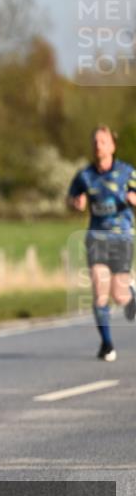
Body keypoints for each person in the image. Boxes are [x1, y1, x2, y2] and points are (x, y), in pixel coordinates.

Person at [68, 125, 136, 361]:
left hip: (122, 237)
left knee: (119, 295)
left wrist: (133, 200)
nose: (99, 146)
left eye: (103, 142)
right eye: (95, 142)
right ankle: (107, 344)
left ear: (112, 146)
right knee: (99, 290)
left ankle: (131, 293)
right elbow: (72, 198)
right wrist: (76, 203)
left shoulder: (128, 172)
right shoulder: (85, 176)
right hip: (96, 237)